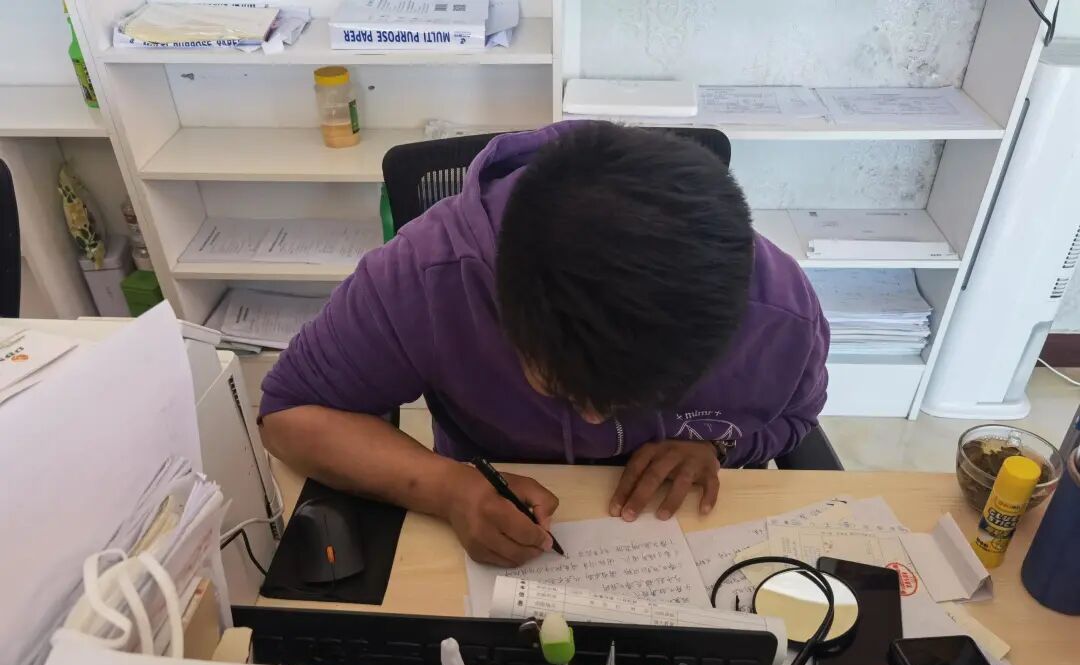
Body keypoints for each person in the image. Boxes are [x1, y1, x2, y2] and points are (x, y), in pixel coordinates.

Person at [259, 121, 829, 567]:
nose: (593, 419)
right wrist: (448, 488)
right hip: (485, 526)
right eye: (561, 389)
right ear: (503, 302)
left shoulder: (782, 314)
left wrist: (719, 447)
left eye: (633, 399)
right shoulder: (432, 273)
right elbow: (288, 417)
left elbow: (797, 418)